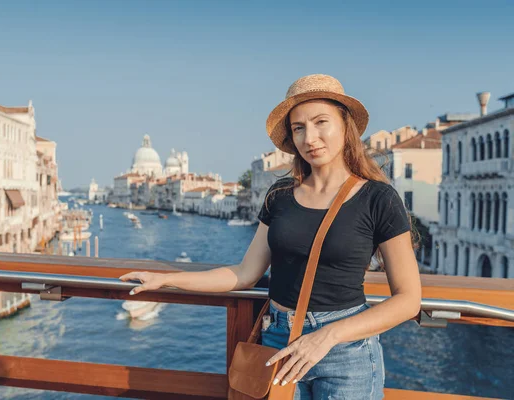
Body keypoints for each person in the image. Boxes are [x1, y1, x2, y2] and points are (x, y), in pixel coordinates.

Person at [120, 74, 421, 399]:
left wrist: (328, 335)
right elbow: (245, 273)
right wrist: (166, 280)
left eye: (321, 122)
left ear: (345, 125)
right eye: (299, 128)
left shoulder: (378, 198)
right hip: (279, 339)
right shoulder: (280, 195)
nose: (310, 138)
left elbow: (408, 299)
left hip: (346, 352)